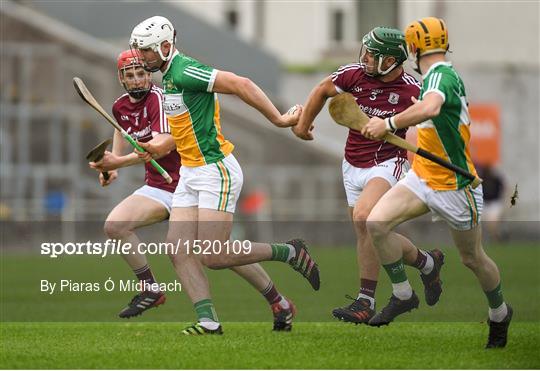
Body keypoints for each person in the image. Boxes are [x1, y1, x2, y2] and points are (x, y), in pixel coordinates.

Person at [129, 16, 320, 335]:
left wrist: (277, 119)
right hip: (190, 172)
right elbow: (185, 129)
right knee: (178, 249)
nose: (141, 57)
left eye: (146, 51)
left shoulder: (185, 70)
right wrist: (159, 145)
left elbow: (241, 84)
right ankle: (210, 321)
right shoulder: (168, 78)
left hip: (215, 170)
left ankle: (288, 251)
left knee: (214, 256)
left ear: (165, 46)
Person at [90, 50, 299, 331]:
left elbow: (165, 143)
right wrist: (113, 165)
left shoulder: (160, 99)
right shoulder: (119, 106)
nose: (137, 80)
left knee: (218, 254)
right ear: (121, 78)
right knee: (116, 226)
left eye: (141, 73)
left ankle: (278, 299)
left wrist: (119, 161)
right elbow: (121, 129)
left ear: (149, 74)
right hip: (157, 187)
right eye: (130, 75)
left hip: (186, 182)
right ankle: (153, 289)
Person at [362, 17, 512, 348]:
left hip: (456, 187)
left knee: (473, 259)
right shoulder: (432, 78)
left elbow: (431, 107)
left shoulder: (442, 76)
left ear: (413, 48)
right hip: (424, 177)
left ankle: (500, 313)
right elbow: (430, 114)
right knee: (376, 222)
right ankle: (403, 293)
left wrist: (387, 122)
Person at [292, 27, 445, 324]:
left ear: (391, 61)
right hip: (352, 163)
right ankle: (427, 262)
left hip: (388, 162)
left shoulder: (413, 89)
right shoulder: (354, 75)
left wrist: (398, 128)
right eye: (365, 52)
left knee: (365, 217)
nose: (365, 59)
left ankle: (367, 301)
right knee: (369, 231)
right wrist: (303, 126)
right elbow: (323, 90)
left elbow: (431, 115)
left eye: (372, 56)